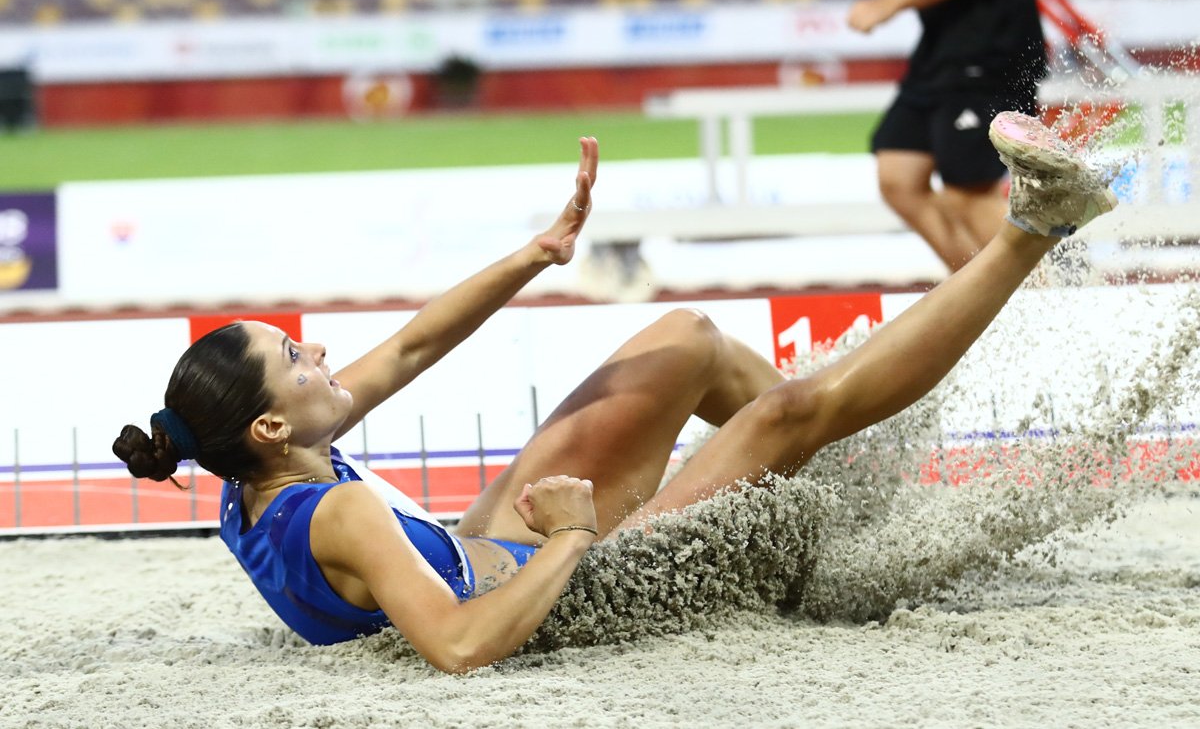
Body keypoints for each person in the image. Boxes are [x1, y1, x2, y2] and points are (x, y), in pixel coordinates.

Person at [114, 118, 1114, 673]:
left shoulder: (241, 474)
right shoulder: (337, 511)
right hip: (561, 588)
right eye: (297, 353)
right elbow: (461, 648)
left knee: (688, 340)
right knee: (782, 416)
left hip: (488, 544)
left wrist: (539, 253)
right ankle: (1038, 223)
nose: (324, 348)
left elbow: (417, 344)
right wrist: (573, 539)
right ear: (273, 423)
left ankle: (832, 475)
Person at [848, 0, 1047, 272]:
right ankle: (983, 303)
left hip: (991, 46)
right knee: (899, 176)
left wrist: (889, 3)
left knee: (968, 193)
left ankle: (1061, 297)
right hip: (941, 47)